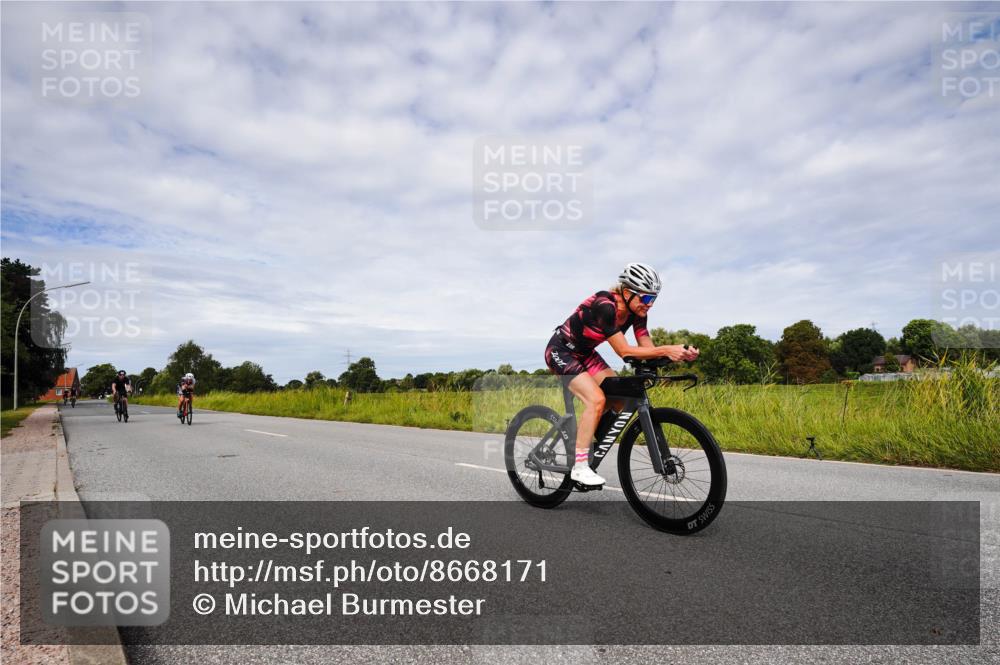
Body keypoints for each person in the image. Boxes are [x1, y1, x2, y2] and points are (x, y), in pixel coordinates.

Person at [544, 263, 700, 487]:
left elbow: (647, 348)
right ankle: (579, 465)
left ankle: (586, 445)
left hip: (586, 354)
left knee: (620, 400)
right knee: (596, 400)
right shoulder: (605, 306)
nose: (650, 304)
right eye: (646, 298)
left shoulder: (638, 313)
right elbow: (624, 351)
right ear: (627, 293)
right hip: (561, 351)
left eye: (654, 299)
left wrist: (680, 354)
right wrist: (667, 349)